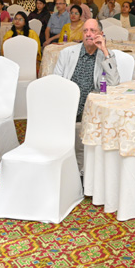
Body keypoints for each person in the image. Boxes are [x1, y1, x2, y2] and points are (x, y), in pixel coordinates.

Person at [53, 19, 121, 169]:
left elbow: (114, 84)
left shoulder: (107, 55)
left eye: (93, 31)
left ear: (101, 34)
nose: (88, 34)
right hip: (68, 106)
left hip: (91, 110)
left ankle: (86, 172)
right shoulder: (67, 53)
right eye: (85, 31)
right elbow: (56, 83)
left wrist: (104, 51)